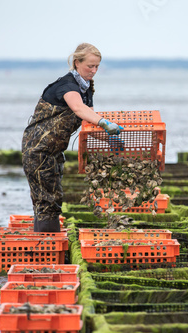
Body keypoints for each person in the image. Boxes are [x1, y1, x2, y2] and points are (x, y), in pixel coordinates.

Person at [22, 43, 122, 232]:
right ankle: (46, 246)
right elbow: (78, 108)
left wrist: (109, 138)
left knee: (53, 196)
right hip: (38, 149)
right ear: (77, 63)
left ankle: (47, 242)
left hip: (54, 150)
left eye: (97, 67)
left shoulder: (86, 89)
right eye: (89, 66)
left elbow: (87, 122)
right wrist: (105, 123)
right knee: (46, 200)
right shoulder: (67, 85)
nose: (94, 71)